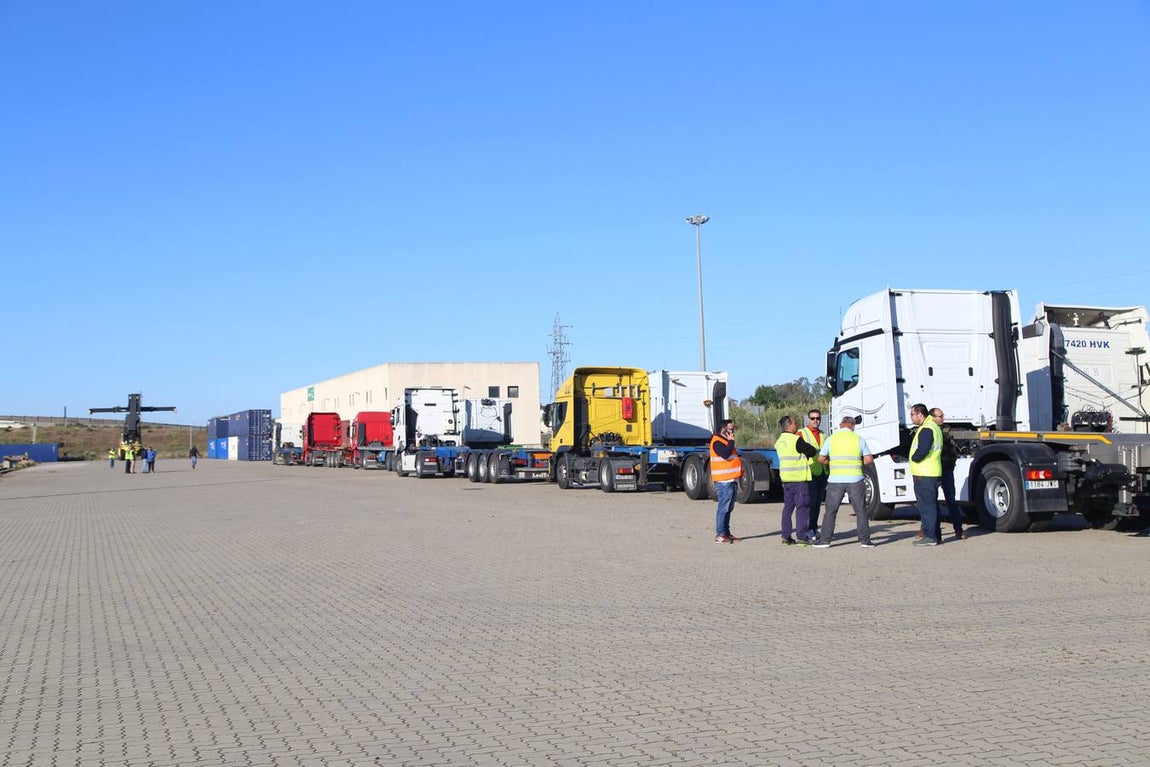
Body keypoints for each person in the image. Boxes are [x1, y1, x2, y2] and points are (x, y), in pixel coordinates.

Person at [813, 416, 875, 548]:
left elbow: (821, 459)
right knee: (860, 511)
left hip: (836, 480)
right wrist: (858, 463)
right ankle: (865, 541)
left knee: (830, 511)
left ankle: (825, 540)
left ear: (841, 425)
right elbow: (869, 459)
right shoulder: (858, 439)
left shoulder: (831, 439)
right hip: (855, 479)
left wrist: (831, 463)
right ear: (852, 426)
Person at [776, 414, 820, 545]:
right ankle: (802, 535)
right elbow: (811, 451)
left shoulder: (779, 441)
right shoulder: (795, 440)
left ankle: (786, 535)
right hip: (798, 479)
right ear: (789, 426)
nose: (796, 426)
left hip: (786, 479)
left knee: (788, 508)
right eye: (794, 423)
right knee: (803, 507)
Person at [909, 403, 943, 546]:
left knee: (927, 507)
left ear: (920, 414)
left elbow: (923, 449)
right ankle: (936, 535)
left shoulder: (927, 428)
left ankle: (930, 536)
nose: (911, 417)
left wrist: (914, 458)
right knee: (932, 505)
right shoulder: (932, 426)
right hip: (931, 472)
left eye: (912, 414)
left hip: (925, 473)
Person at [930, 408, 965, 541]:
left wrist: (952, 464)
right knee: (932, 503)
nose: (943, 418)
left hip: (946, 469)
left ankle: (958, 530)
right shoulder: (929, 429)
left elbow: (952, 448)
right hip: (934, 470)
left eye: (942, 415)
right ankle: (935, 533)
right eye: (940, 416)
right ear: (932, 417)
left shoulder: (946, 429)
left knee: (951, 501)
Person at [710, 419, 742, 544]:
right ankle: (720, 534)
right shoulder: (717, 442)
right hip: (724, 482)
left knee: (728, 508)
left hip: (731, 480)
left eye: (733, 429)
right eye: (730, 429)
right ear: (723, 429)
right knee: (723, 508)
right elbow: (725, 454)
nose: (733, 431)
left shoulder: (725, 441)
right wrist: (731, 441)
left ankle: (726, 533)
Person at [800, 409, 828, 539]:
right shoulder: (802, 433)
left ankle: (814, 528)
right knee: (810, 503)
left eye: (818, 418)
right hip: (810, 472)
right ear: (808, 419)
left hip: (822, 471)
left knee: (817, 503)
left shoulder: (822, 434)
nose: (815, 420)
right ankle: (808, 529)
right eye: (813, 418)